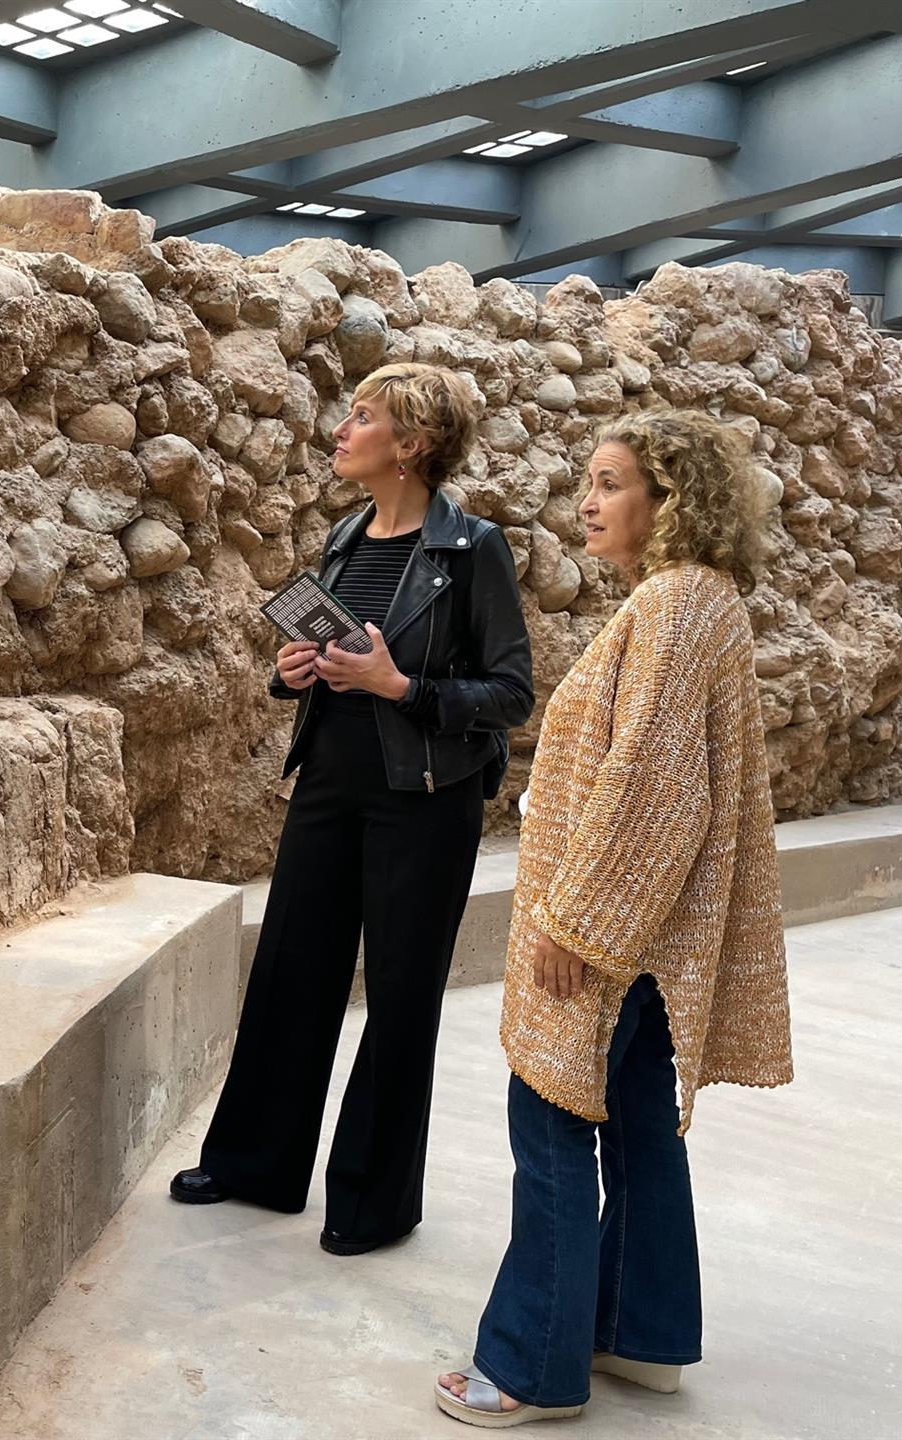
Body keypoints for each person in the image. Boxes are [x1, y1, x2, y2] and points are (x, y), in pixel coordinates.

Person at [437, 408, 794, 1427]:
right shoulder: (699, 601)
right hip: (656, 928)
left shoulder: (675, 606)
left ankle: (533, 1368)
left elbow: (651, 785)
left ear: (667, 501)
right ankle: (642, 1336)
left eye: (610, 482)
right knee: (638, 1125)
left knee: (549, 1119)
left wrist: (577, 921)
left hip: (614, 927)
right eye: (588, 481)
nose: (587, 501)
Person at [170, 362, 533, 1255]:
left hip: (425, 799)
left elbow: (512, 691)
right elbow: (330, 660)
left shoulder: (470, 548)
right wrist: (294, 672)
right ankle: (254, 1162)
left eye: (361, 417)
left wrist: (401, 684)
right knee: (292, 970)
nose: (343, 429)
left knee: (402, 998)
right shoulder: (344, 536)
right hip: (330, 781)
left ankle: (371, 1201)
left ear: (410, 446)